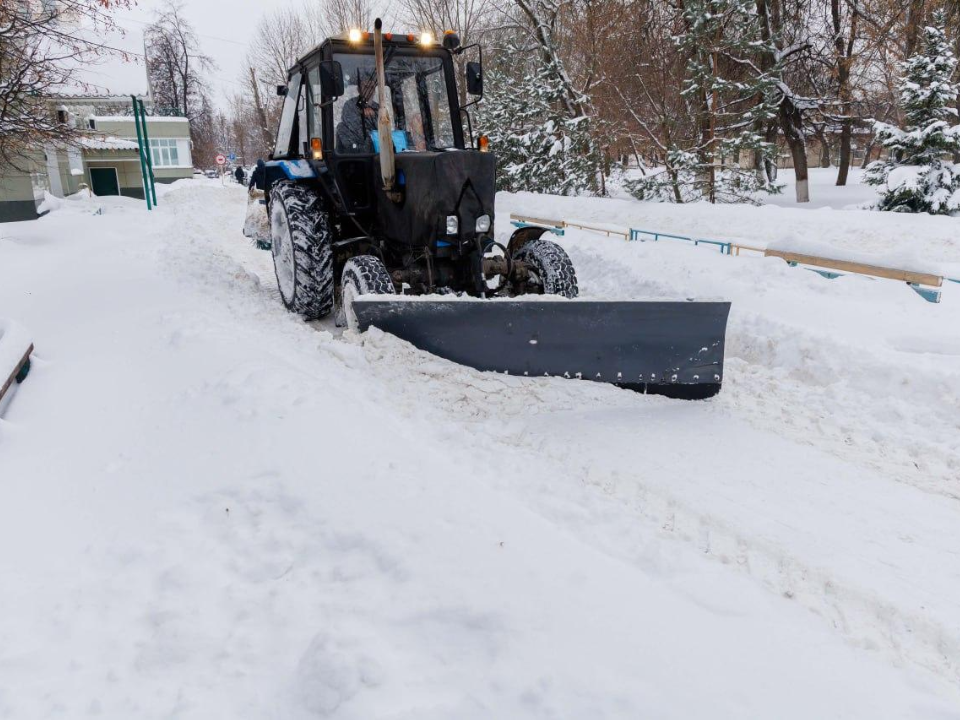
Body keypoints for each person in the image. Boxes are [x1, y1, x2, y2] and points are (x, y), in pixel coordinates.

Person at [336, 75, 379, 153]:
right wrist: (364, 115)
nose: (370, 90)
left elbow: (381, 129)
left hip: (376, 151)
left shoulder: (378, 107)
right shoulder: (350, 105)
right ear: (359, 90)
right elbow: (356, 129)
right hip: (355, 154)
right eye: (366, 87)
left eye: (372, 87)